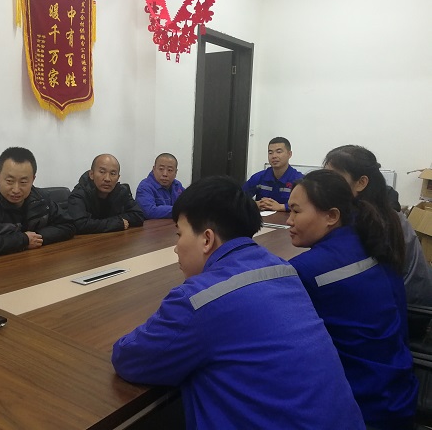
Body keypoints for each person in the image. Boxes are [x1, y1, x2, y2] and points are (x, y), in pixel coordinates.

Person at [112, 176, 365, 430]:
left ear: (207, 239)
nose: (176, 247)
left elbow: (130, 359)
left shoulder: (200, 299)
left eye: (179, 234)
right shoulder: (281, 269)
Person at [286, 169, 418, 430]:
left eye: (296, 211)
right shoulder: (371, 242)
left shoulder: (306, 270)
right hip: (399, 391)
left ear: (332, 216)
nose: (289, 220)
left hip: (361, 407)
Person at [324, 145, 432, 306]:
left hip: (408, 305)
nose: (326, 184)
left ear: (361, 182)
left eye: (334, 178)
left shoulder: (370, 220)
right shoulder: (376, 208)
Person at [0, 147, 75, 258]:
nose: (16, 189)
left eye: (23, 182)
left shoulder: (40, 198)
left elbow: (69, 225)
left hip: (32, 261)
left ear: (33, 179)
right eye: (10, 181)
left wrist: (36, 238)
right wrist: (24, 240)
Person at [68, 154, 144, 234]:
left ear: (118, 178)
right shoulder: (79, 194)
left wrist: (100, 223)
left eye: (113, 173)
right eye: (102, 172)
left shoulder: (121, 191)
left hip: (114, 238)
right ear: (91, 174)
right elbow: (80, 224)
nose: (107, 179)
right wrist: (116, 223)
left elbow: (138, 215)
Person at [242, 137, 303, 212]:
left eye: (279, 152)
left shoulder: (298, 179)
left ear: (289, 154)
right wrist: (254, 204)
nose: (274, 156)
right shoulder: (259, 177)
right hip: (262, 218)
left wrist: (281, 207)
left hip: (289, 218)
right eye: (270, 153)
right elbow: (239, 199)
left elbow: (306, 205)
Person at [135, 153, 185, 219]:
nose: (165, 174)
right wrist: (179, 210)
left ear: (175, 172)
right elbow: (149, 212)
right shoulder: (145, 187)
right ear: (154, 169)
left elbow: (189, 202)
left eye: (170, 170)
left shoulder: (177, 185)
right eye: (161, 169)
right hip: (152, 225)